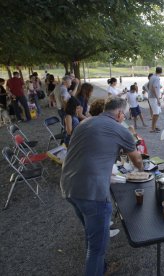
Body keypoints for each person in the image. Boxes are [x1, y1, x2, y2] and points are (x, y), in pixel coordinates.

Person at [60, 97, 143, 275]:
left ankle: (103, 268)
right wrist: (142, 169)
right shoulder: (120, 129)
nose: (125, 117)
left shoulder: (85, 122)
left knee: (93, 236)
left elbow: (88, 150)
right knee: (97, 249)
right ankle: (98, 269)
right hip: (92, 192)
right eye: (125, 114)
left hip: (69, 186)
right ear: (120, 114)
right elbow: (137, 160)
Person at [148, 67, 162, 133]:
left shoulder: (152, 77)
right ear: (161, 72)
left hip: (152, 97)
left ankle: (154, 127)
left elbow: (149, 86)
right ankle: (152, 128)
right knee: (156, 113)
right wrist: (158, 99)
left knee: (157, 113)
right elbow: (154, 88)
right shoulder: (156, 78)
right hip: (154, 98)